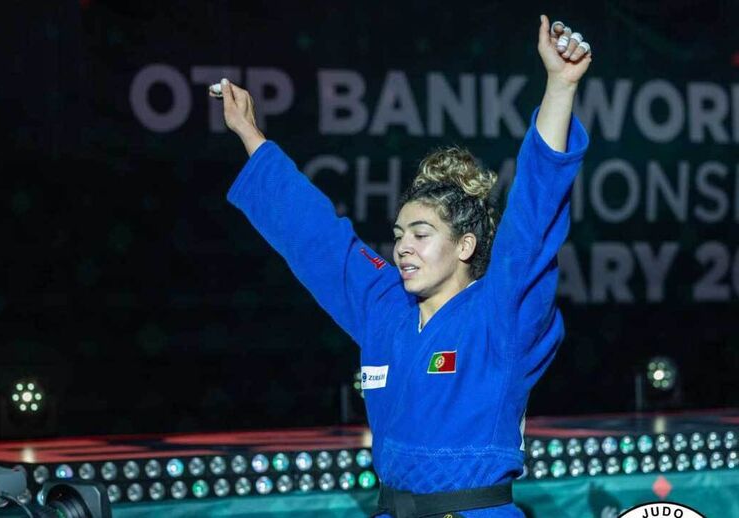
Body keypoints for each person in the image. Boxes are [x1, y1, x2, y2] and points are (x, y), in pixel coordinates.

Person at [217, 15, 592, 517]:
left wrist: (560, 86)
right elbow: (319, 240)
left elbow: (533, 216)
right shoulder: (386, 307)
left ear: (465, 246)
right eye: (397, 236)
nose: (403, 249)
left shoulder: (498, 314)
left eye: (420, 234)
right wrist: (250, 136)